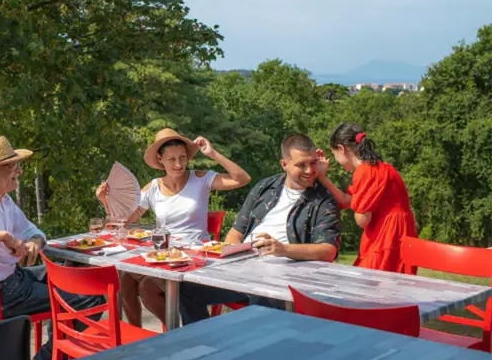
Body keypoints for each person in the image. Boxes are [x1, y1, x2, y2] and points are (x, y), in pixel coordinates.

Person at [178, 133, 342, 325]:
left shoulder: (323, 200)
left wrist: (283, 250)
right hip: (244, 270)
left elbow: (328, 250)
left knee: (262, 299)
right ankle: (203, 344)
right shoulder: (265, 187)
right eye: (301, 165)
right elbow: (236, 233)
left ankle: (251, 350)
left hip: (282, 279)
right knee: (185, 288)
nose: (309, 170)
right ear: (284, 164)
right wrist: (230, 258)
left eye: (313, 163)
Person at [96, 128, 251, 325]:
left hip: (195, 256)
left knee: (146, 287)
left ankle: (176, 333)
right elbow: (121, 223)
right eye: (172, 159)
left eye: (183, 157)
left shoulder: (201, 179)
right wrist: (106, 201)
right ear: (160, 159)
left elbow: (242, 179)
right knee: (125, 278)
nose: (179, 164)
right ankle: (138, 337)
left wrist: (212, 153)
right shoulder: (153, 187)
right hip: (164, 255)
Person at [0, 136, 104, 360]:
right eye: (14, 166)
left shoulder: (4, 201)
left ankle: (56, 350)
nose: (20, 171)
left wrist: (33, 243)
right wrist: (5, 237)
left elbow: (34, 231)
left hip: (16, 279)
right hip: (4, 291)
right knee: (91, 297)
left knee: (76, 277)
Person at [317, 123, 418, 274]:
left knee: (372, 287)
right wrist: (322, 177)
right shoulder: (382, 167)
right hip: (400, 235)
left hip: (386, 237)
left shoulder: (365, 172)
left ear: (342, 148)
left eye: (334, 154)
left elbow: (362, 219)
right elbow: (346, 200)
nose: (336, 161)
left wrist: (358, 209)